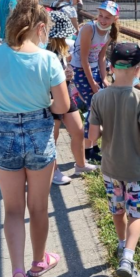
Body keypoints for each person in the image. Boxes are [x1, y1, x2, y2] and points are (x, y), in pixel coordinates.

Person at [0, 0, 70, 277]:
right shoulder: (48, 59)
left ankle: (16, 272)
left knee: (12, 209)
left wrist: (2, 102)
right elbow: (63, 105)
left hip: (4, 131)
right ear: (41, 27)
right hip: (39, 132)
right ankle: (38, 262)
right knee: (38, 207)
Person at [88, 42, 140, 277]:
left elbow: (92, 136)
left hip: (110, 168)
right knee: (135, 214)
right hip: (136, 168)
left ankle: (120, 244)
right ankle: (128, 258)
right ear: (139, 69)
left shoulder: (99, 98)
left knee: (117, 209)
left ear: (110, 67)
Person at [46, 11, 98, 185]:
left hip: (65, 94)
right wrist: (63, 75)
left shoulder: (60, 49)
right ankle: (53, 171)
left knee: (77, 129)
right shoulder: (46, 51)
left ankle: (81, 164)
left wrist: (67, 72)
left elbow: (63, 67)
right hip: (50, 99)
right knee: (51, 137)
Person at [69, 0, 120, 164]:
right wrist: (92, 84)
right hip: (80, 69)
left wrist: (103, 78)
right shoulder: (88, 29)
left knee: (98, 107)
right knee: (94, 107)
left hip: (95, 68)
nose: (103, 20)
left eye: (107, 17)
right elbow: (83, 58)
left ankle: (92, 145)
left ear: (115, 19)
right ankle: (86, 150)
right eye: (101, 15)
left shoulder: (110, 32)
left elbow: (101, 56)